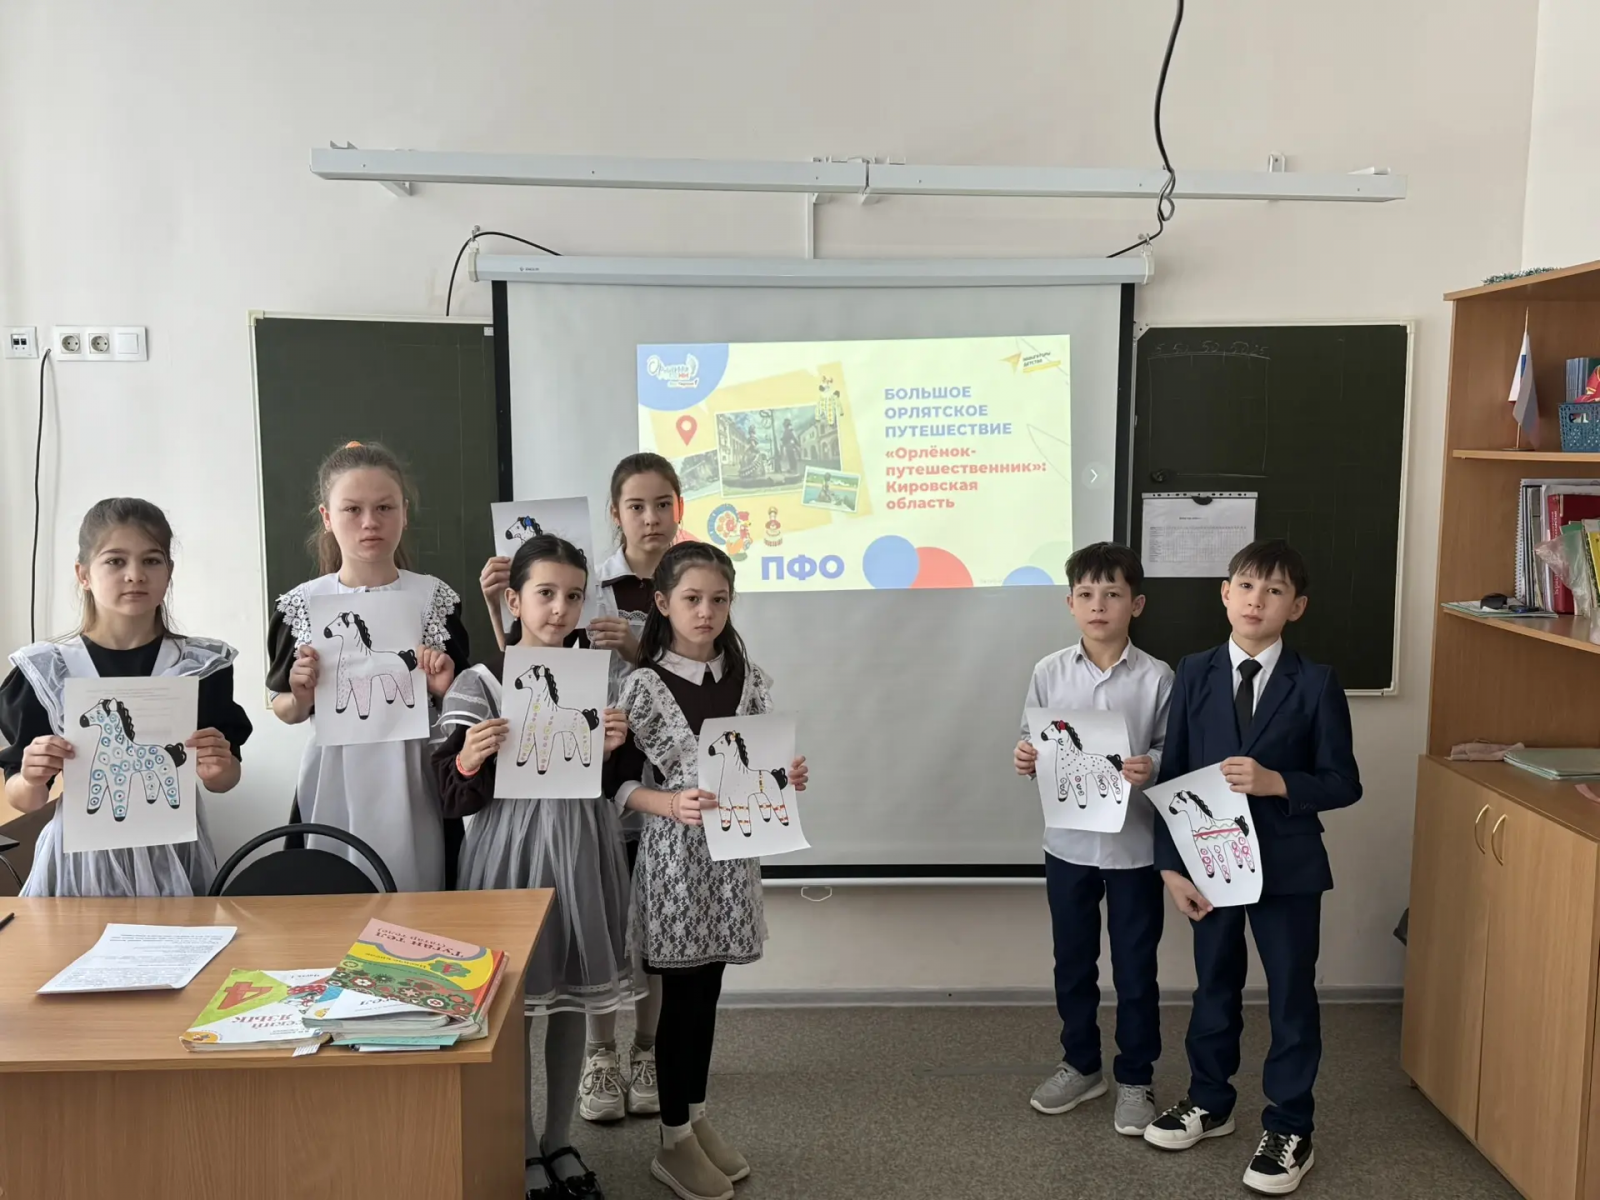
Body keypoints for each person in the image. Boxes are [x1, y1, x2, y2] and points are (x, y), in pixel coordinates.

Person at [1143, 539, 1362, 1196]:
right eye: (1245, 586)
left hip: (1289, 870)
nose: (1256, 601)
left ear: (1296, 607)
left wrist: (1278, 782)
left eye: (1273, 591)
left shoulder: (1315, 682)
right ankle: (1210, 1102)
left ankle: (1291, 1126)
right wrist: (1169, 868)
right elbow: (1175, 775)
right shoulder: (1194, 671)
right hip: (1210, 863)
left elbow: (1343, 782)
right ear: (1225, 593)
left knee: (1291, 993)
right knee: (1214, 984)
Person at [482, 453, 686, 1123]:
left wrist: (636, 652)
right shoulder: (587, 583)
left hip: (659, 783)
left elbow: (701, 675)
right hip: (587, 791)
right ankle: (601, 1055)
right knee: (594, 922)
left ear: (679, 507)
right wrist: (495, 604)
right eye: (636, 505)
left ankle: (648, 1050)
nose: (650, 517)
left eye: (662, 503)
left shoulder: (694, 582)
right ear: (614, 513)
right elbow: (527, 671)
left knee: (647, 929)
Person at [433, 534, 633, 1200]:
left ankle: (560, 1138)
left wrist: (614, 750)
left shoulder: (601, 679)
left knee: (574, 995)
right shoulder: (481, 682)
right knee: (513, 1005)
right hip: (509, 855)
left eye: (573, 596)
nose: (559, 609)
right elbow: (447, 792)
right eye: (545, 594)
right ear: (513, 601)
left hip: (584, 848)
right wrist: (469, 759)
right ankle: (519, 1145)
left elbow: (618, 784)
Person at [606, 541, 808, 1200]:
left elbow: (760, 766)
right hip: (676, 861)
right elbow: (616, 786)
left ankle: (694, 1116)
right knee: (681, 1000)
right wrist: (668, 803)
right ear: (663, 603)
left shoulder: (748, 679)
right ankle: (672, 1141)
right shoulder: (642, 687)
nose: (706, 611)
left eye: (719, 599)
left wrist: (786, 777)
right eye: (692, 599)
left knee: (710, 993)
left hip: (733, 859)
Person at [0, 498, 251, 896]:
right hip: (80, 865)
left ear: (169, 572)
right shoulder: (47, 671)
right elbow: (24, 798)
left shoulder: (200, 666)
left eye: (151, 560)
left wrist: (219, 766)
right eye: (115, 561)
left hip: (174, 856)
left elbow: (225, 779)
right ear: (83, 574)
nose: (135, 575)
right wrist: (31, 775)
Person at [1014, 542, 1172, 1135]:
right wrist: (1025, 756)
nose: (1098, 605)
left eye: (1112, 594)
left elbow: (1171, 748)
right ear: (1071, 604)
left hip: (1134, 847)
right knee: (1073, 962)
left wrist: (1151, 765)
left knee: (1135, 967)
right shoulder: (1048, 672)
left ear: (1137, 604)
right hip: (1068, 845)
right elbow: (1030, 739)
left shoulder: (1158, 677)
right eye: (1086, 594)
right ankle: (1081, 1065)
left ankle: (1135, 1076)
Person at [267, 441, 468, 893]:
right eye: (352, 509)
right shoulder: (301, 605)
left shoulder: (434, 598)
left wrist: (444, 686)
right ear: (327, 517)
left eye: (384, 507)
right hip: (333, 771)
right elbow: (285, 708)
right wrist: (299, 696)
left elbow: (463, 702)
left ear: (404, 512)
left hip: (414, 771)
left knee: (418, 894)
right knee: (331, 892)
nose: (370, 522)